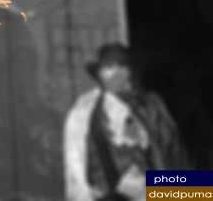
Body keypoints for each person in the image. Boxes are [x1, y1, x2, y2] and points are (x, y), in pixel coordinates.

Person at [63, 43, 190, 201]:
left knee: (202, 190)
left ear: (131, 71)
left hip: (156, 191)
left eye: (122, 65)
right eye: (109, 66)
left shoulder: (150, 106)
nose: (116, 73)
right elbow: (76, 168)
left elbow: (173, 151)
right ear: (99, 74)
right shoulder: (84, 113)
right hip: (110, 196)